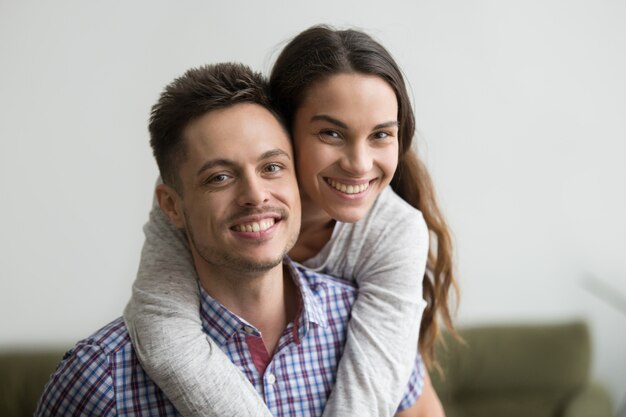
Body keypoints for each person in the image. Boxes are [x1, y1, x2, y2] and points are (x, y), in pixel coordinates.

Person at [35, 63, 426, 416]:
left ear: (295, 172)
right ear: (171, 206)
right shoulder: (99, 379)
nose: (255, 195)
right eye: (219, 177)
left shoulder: (367, 331)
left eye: (272, 166)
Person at [124, 26, 458, 417]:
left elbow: (371, 394)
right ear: (282, 126)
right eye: (331, 133)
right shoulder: (201, 198)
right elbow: (163, 329)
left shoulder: (393, 231)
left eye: (381, 135)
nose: (360, 164)